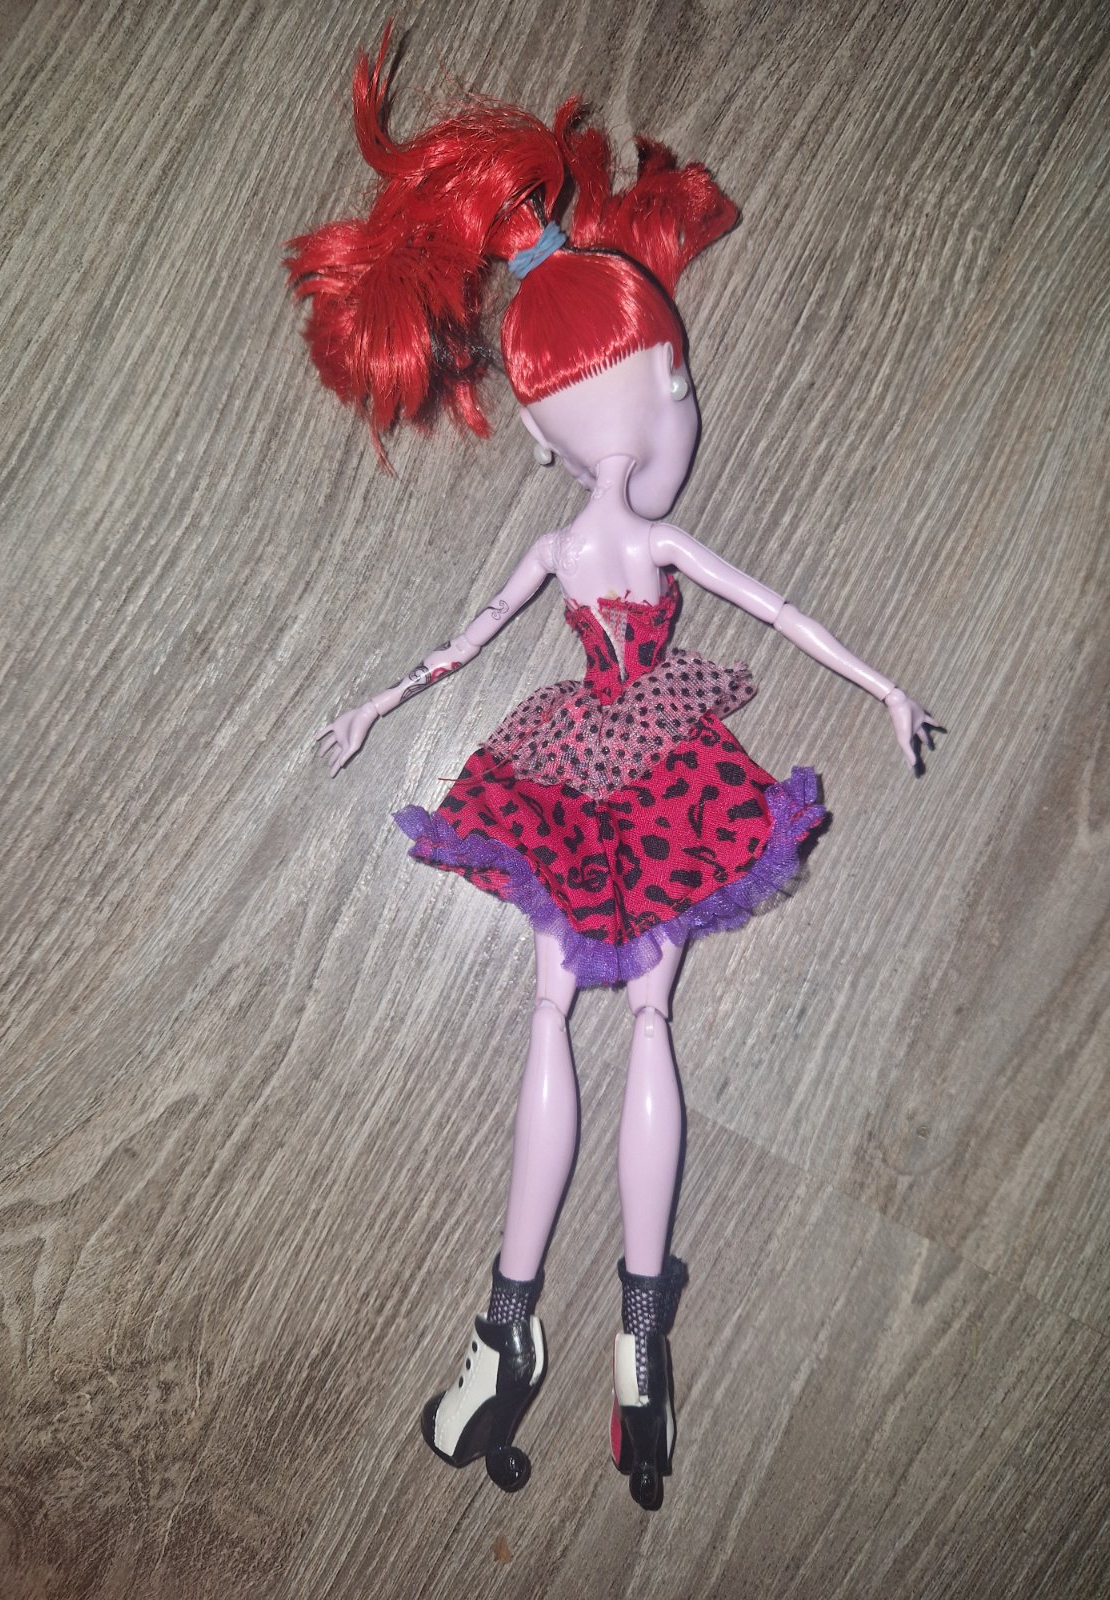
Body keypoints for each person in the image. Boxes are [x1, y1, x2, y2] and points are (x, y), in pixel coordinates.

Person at [290, 27, 937, 1510]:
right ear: (563, 426)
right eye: (673, 389)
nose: (669, 423)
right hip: (662, 751)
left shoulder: (563, 539)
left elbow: (471, 642)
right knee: (644, 1012)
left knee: (565, 1004)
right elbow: (775, 611)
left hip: (579, 752)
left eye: (672, 390)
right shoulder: (643, 537)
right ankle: (631, 1342)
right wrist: (881, 685)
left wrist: (382, 700)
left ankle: (511, 1328)